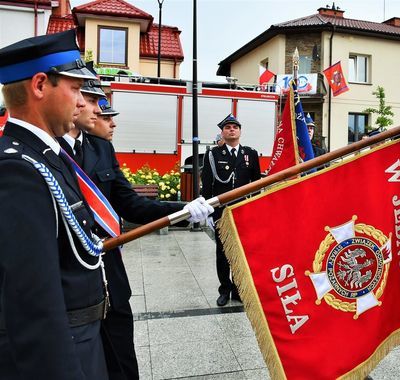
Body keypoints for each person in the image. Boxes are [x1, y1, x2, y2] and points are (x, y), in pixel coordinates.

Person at [60, 77, 213, 379]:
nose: (92, 107)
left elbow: (132, 205)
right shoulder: (46, 150)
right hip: (69, 286)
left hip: (110, 280)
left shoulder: (101, 149)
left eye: (92, 100)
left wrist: (184, 210)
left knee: (123, 367)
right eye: (88, 99)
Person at [0, 30, 109, 379]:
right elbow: (35, 305)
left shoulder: (48, 156)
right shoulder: (19, 169)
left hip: (83, 336)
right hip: (64, 348)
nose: (82, 102)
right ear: (40, 85)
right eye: (76, 89)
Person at [201, 114, 261, 306]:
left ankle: (238, 289)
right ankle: (224, 290)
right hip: (222, 212)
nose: (232, 130)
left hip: (243, 211)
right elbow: (207, 184)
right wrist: (209, 211)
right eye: (228, 127)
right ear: (222, 132)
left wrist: (256, 208)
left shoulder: (250, 154)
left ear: (240, 131)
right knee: (222, 252)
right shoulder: (213, 155)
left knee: (241, 252)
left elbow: (256, 184)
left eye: (235, 127)